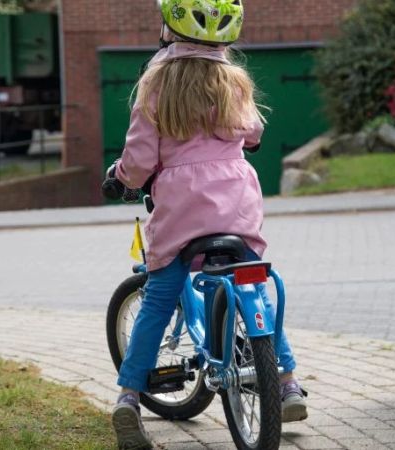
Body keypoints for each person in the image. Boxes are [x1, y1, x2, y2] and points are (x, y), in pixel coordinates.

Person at [108, 1, 307, 448]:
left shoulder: (156, 82)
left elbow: (140, 159)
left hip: (180, 204)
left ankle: (127, 397)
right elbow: (252, 132)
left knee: (158, 298)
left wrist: (120, 178)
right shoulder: (234, 79)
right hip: (236, 199)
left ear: (169, 27)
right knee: (253, 287)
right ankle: (289, 381)